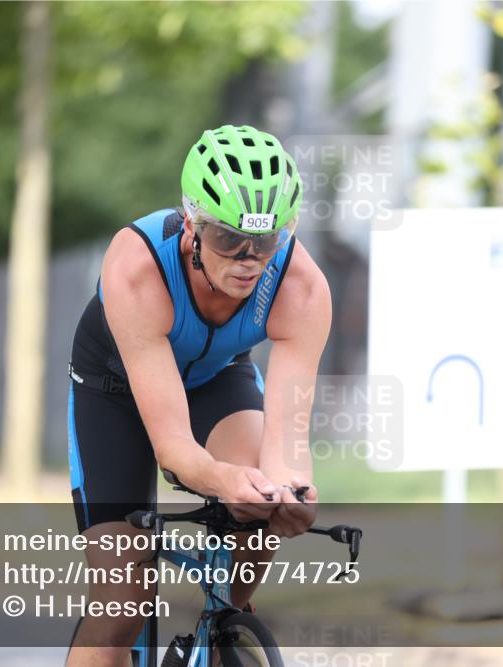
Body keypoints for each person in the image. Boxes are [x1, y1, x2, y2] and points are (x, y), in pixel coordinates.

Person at [65, 124, 331, 666]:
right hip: (113, 390)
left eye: (265, 240)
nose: (247, 258)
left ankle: (221, 628)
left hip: (214, 376)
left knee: (264, 492)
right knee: (121, 608)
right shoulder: (137, 266)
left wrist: (290, 491)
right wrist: (222, 478)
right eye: (228, 239)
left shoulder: (301, 288)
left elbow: (287, 451)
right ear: (192, 225)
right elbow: (177, 453)